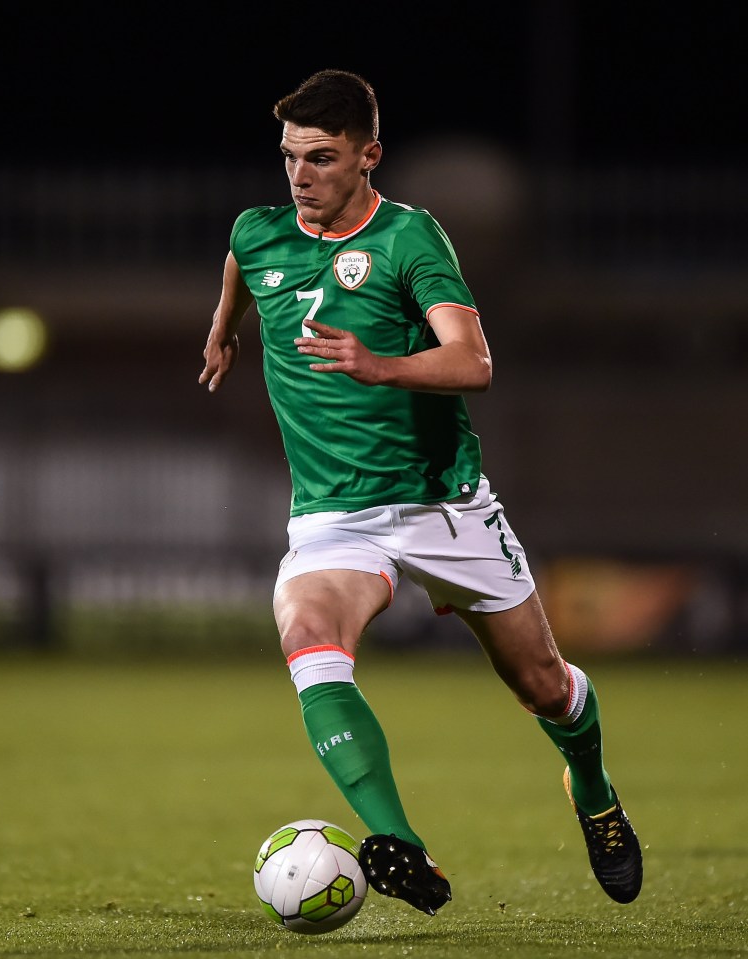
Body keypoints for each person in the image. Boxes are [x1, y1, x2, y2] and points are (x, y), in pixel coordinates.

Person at [198, 68, 643, 915]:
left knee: (544, 686)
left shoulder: (410, 239)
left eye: (321, 158)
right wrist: (222, 331)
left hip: (444, 507)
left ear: (369, 156)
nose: (299, 176)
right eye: (290, 157)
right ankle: (401, 843)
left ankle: (592, 790)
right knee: (307, 635)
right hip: (333, 517)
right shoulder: (258, 233)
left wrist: (381, 365)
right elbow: (239, 265)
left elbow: (473, 364)